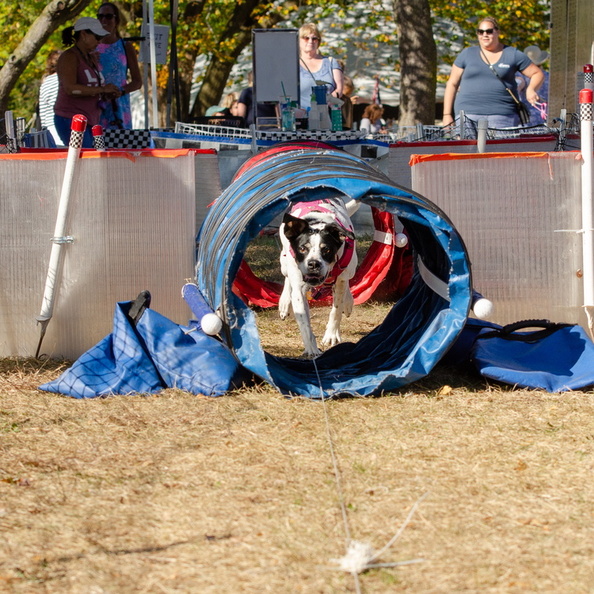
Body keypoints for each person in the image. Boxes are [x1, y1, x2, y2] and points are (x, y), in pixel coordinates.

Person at [442, 17, 544, 137]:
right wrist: (447, 114)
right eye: (481, 32)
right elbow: (452, 84)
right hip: (467, 115)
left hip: (502, 116)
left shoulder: (512, 54)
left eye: (489, 31)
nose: (485, 35)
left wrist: (531, 89)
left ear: (497, 32)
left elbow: (537, 73)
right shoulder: (466, 54)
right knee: (466, 154)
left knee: (498, 153)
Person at [54, 17, 121, 148]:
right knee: (85, 159)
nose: (99, 41)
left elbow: (91, 87)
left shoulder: (90, 58)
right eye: (97, 37)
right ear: (84, 34)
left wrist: (106, 94)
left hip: (91, 120)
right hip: (71, 119)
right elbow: (70, 88)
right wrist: (102, 90)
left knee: (93, 158)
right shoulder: (69, 57)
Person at [95, 2, 142, 130]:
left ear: (116, 20)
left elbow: (137, 82)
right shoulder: (91, 47)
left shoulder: (125, 46)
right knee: (96, 144)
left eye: (109, 16)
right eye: (100, 16)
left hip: (119, 104)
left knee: (119, 144)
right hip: (96, 104)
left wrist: (120, 92)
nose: (104, 20)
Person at [298, 23, 343, 110]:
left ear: (318, 41)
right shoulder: (293, 64)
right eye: (306, 38)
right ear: (298, 40)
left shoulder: (331, 62)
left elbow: (339, 90)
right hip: (301, 116)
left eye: (314, 38)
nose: (310, 41)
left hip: (327, 115)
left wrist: (326, 101)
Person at [517, 45, 549, 126]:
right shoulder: (548, 76)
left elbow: (518, 85)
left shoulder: (521, 76)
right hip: (546, 117)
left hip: (527, 118)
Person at [38, 50, 62, 146]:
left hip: (50, 127)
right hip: (64, 125)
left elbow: (42, 110)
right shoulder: (66, 80)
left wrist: (44, 128)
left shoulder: (46, 82)